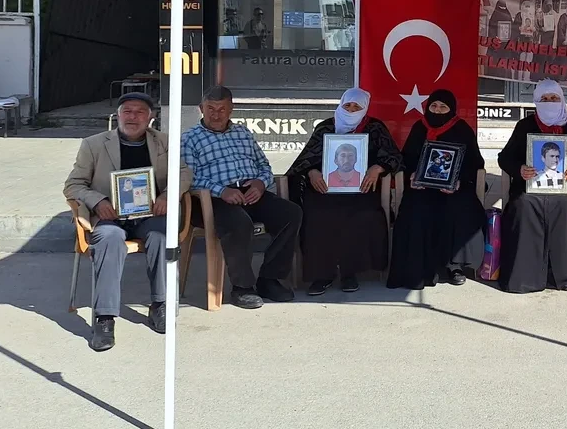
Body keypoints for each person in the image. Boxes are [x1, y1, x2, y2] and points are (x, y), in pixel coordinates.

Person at [63, 93, 192, 351]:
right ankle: (105, 318)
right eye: (127, 111)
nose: (133, 117)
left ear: (151, 117)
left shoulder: (164, 142)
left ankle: (160, 305)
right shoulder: (93, 144)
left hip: (150, 214)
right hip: (109, 216)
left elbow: (183, 173)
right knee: (109, 239)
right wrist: (98, 201)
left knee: (162, 236)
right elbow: (73, 185)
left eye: (140, 112)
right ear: (118, 115)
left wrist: (168, 195)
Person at [182, 85, 301, 308]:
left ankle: (269, 279)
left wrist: (260, 183)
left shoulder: (243, 133)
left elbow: (264, 165)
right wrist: (222, 191)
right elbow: (188, 177)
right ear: (201, 108)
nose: (216, 115)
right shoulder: (190, 138)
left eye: (222, 109)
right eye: (211, 109)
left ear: (231, 109)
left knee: (290, 213)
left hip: (250, 191)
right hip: (211, 199)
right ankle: (242, 288)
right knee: (238, 223)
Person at [285, 88, 402, 295]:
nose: (351, 110)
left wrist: (378, 168)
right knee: (317, 215)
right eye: (347, 105)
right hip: (325, 189)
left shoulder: (375, 127)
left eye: (357, 106)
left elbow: (394, 157)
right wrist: (312, 172)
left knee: (361, 215)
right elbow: (304, 160)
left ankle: (350, 272)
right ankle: (322, 274)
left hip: (361, 189)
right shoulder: (325, 127)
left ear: (365, 108)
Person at [498, 80, 567, 293]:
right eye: (544, 99)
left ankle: (563, 276)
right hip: (530, 187)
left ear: (562, 99)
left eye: (554, 98)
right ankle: (525, 277)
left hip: (564, 187)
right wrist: (520, 169)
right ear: (536, 101)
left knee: (566, 207)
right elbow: (504, 158)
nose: (549, 102)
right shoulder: (524, 125)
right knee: (523, 205)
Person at [387, 90, 487, 289]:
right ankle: (416, 268)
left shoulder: (462, 129)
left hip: (454, 187)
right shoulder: (419, 127)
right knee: (415, 208)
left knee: (460, 207)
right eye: (434, 106)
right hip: (422, 186)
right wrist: (412, 176)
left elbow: (475, 163)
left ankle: (454, 266)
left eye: (443, 107)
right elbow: (406, 158)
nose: (438, 111)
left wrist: (459, 181)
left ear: (451, 109)